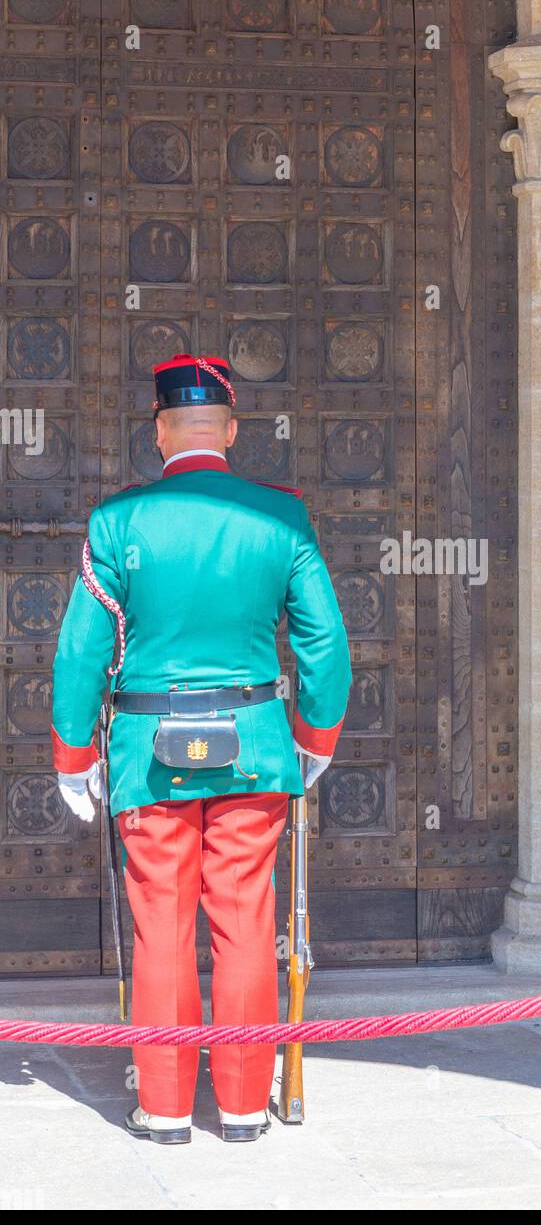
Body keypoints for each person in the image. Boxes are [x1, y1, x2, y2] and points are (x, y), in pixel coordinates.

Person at [51, 355, 351, 1144]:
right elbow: (324, 643)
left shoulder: (117, 523)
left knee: (161, 923)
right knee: (247, 922)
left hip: (149, 749)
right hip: (253, 744)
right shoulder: (281, 519)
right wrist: (313, 740)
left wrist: (72, 755)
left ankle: (166, 1106)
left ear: (159, 432)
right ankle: (247, 1105)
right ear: (231, 431)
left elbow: (80, 653)